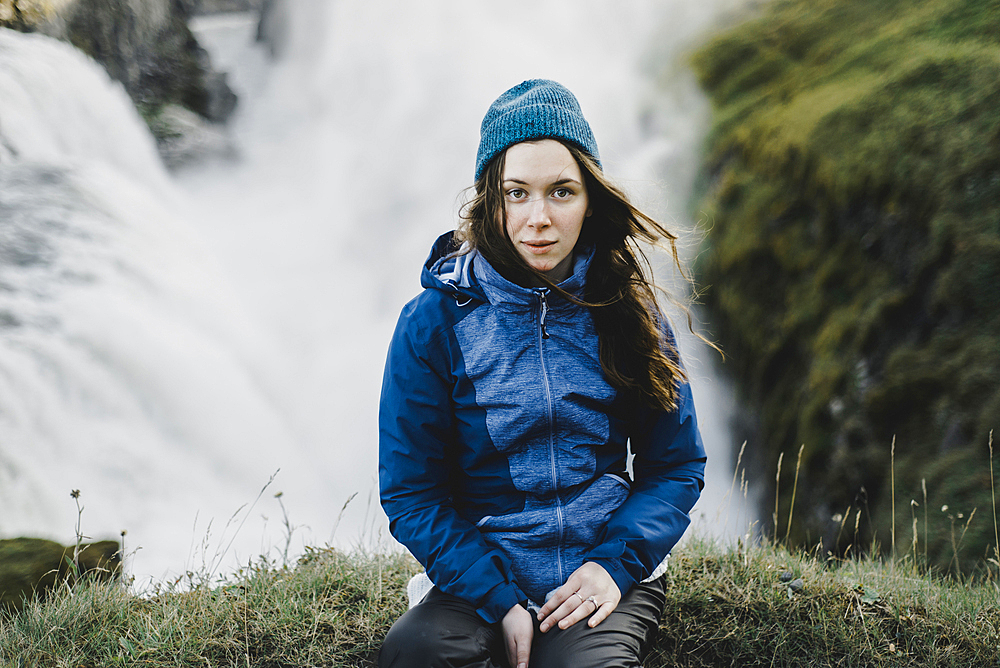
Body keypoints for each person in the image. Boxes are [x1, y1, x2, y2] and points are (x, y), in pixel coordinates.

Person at [378, 79, 706, 668]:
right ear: (489, 200)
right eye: (517, 193)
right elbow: (412, 491)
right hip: (480, 569)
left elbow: (676, 464)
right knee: (414, 654)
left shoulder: (627, 310)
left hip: (599, 566)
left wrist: (612, 567)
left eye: (561, 192)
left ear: (590, 199)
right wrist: (496, 597)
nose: (539, 220)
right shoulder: (432, 323)